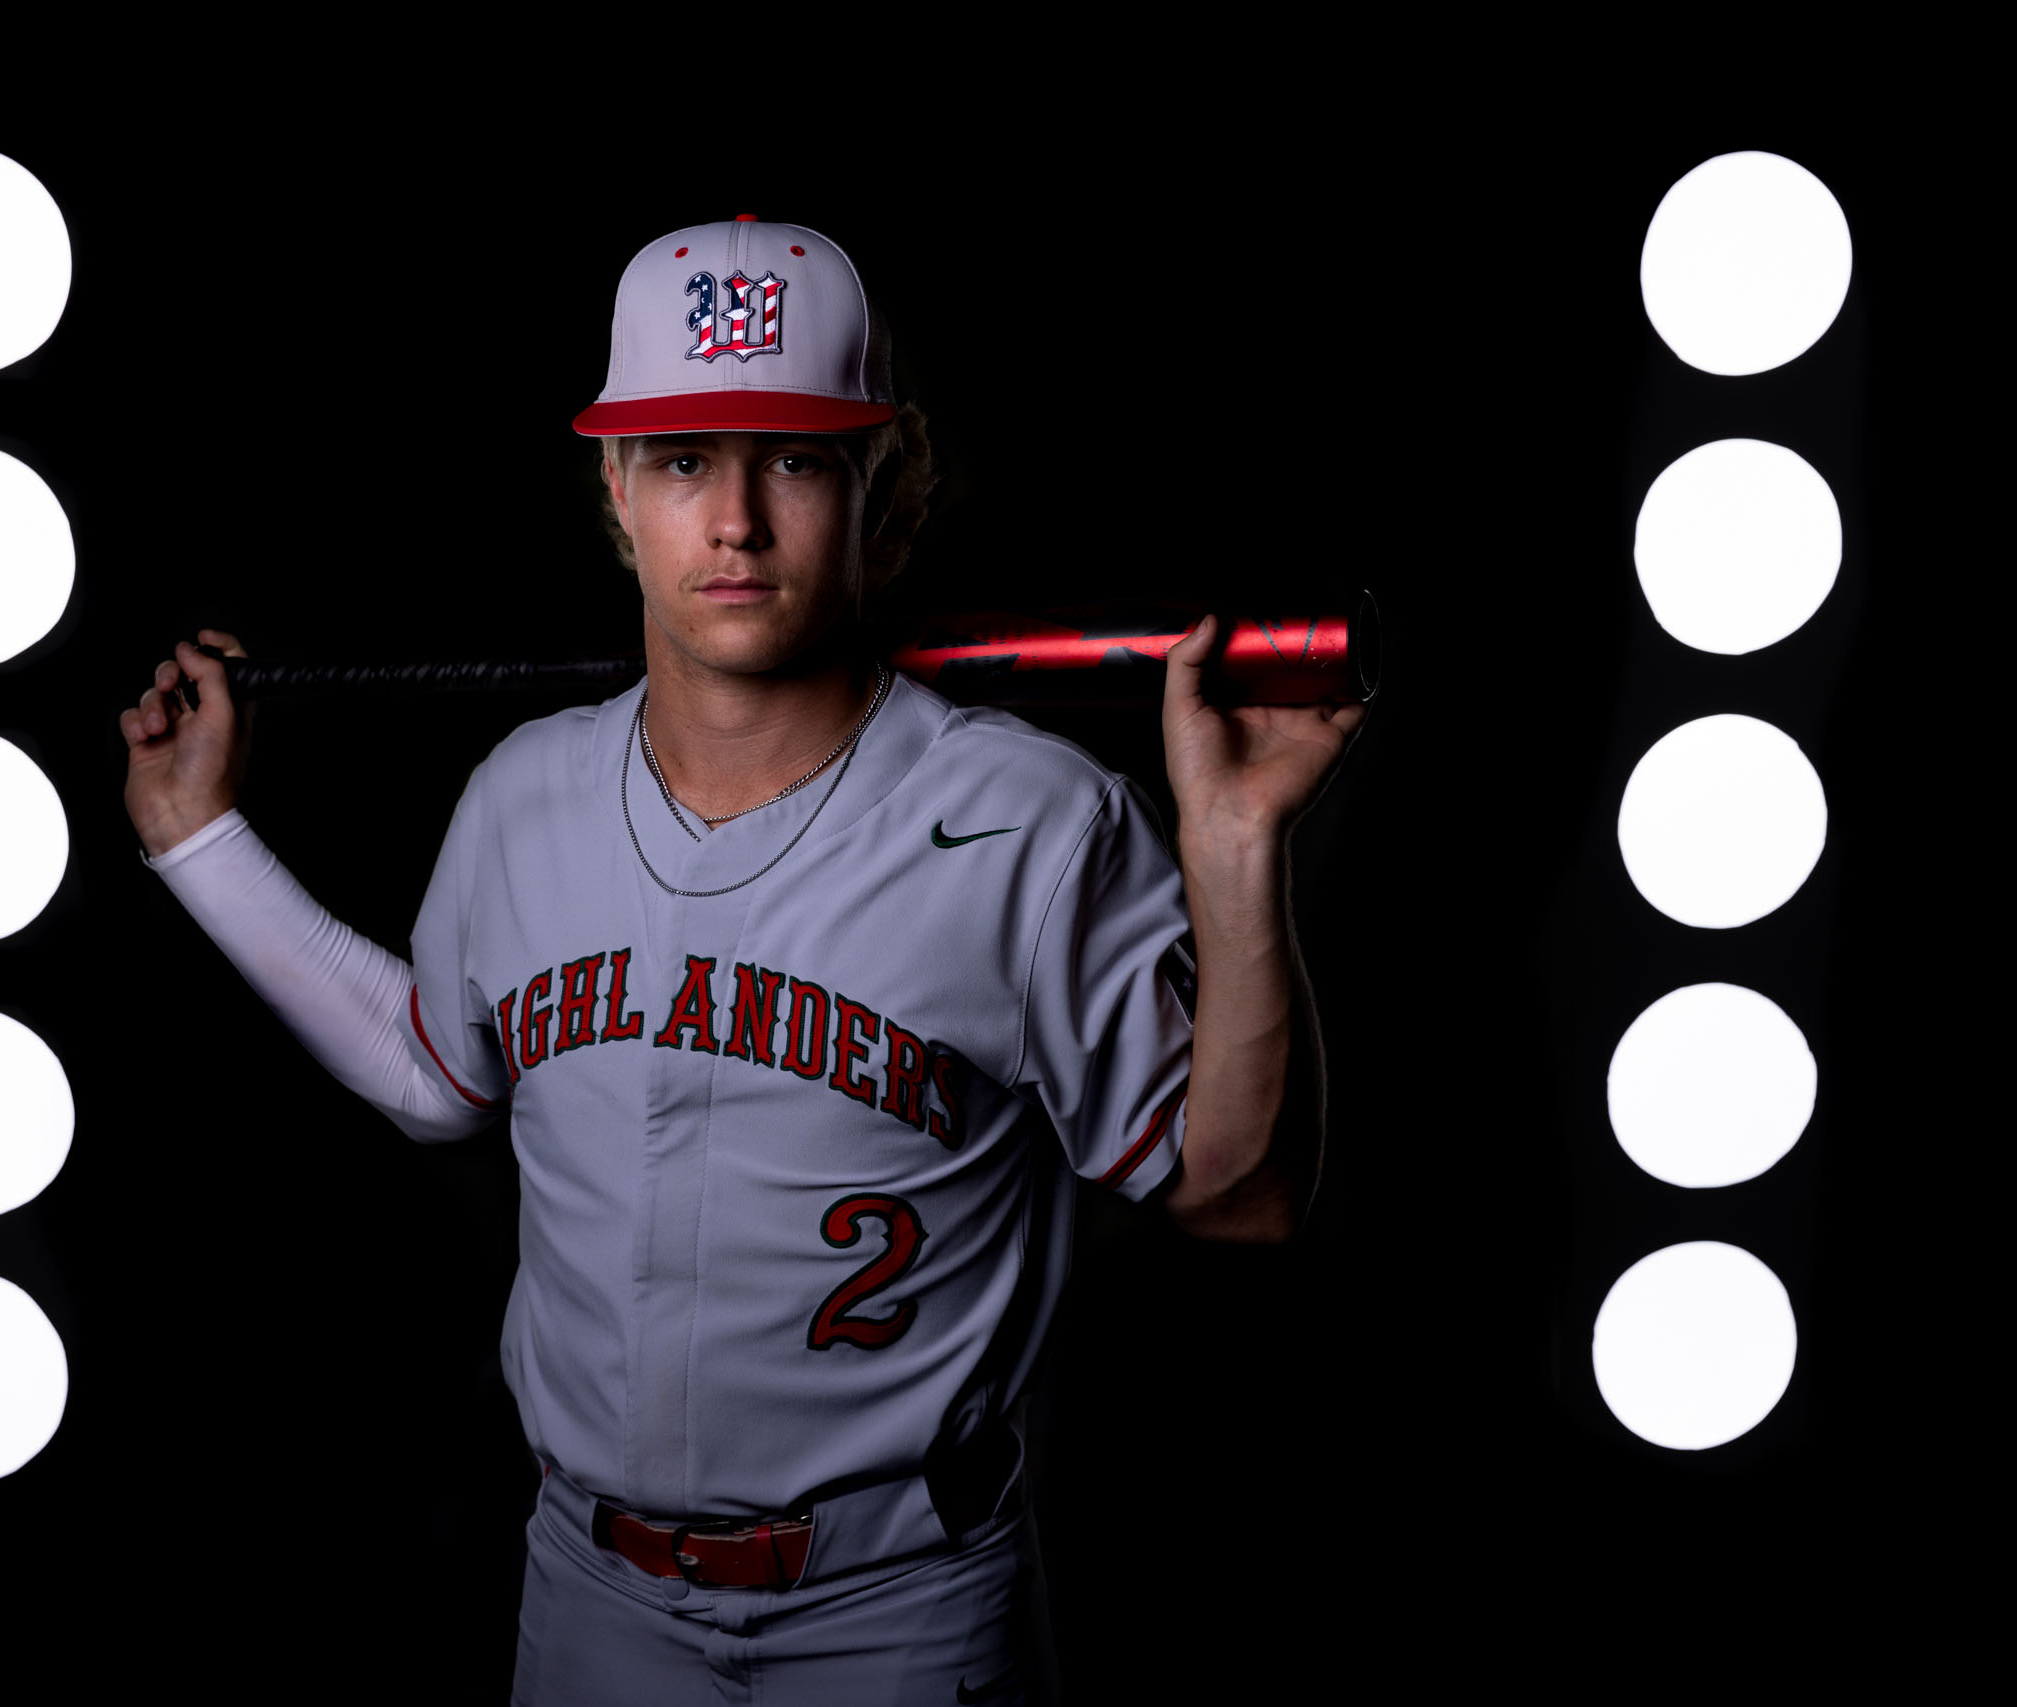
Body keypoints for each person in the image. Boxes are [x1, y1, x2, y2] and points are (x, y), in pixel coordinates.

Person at [118, 215, 1364, 1705]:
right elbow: (435, 1078)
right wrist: (202, 845)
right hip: (590, 1597)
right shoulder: (524, 795)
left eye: (793, 460)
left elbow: (1246, 1197)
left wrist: (1233, 854)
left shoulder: (1034, 819)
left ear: (877, 481)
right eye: (683, 460)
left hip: (900, 1607)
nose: (736, 525)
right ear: (617, 490)